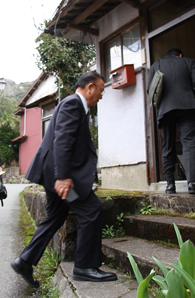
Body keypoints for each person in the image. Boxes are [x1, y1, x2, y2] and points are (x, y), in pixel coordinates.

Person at [11, 72, 117, 288]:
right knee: (91, 209)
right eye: (101, 90)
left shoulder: (75, 105)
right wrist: (63, 177)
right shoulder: (73, 104)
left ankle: (25, 261)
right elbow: (63, 141)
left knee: (56, 216)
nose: (101, 96)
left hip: (53, 174)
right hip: (58, 176)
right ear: (90, 87)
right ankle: (85, 267)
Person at [147, 48, 195, 196]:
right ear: (180, 55)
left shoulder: (156, 65)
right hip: (187, 106)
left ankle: (170, 185)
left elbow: (149, 89)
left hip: (165, 110)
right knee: (190, 143)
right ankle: (194, 184)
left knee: (167, 146)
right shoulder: (189, 62)